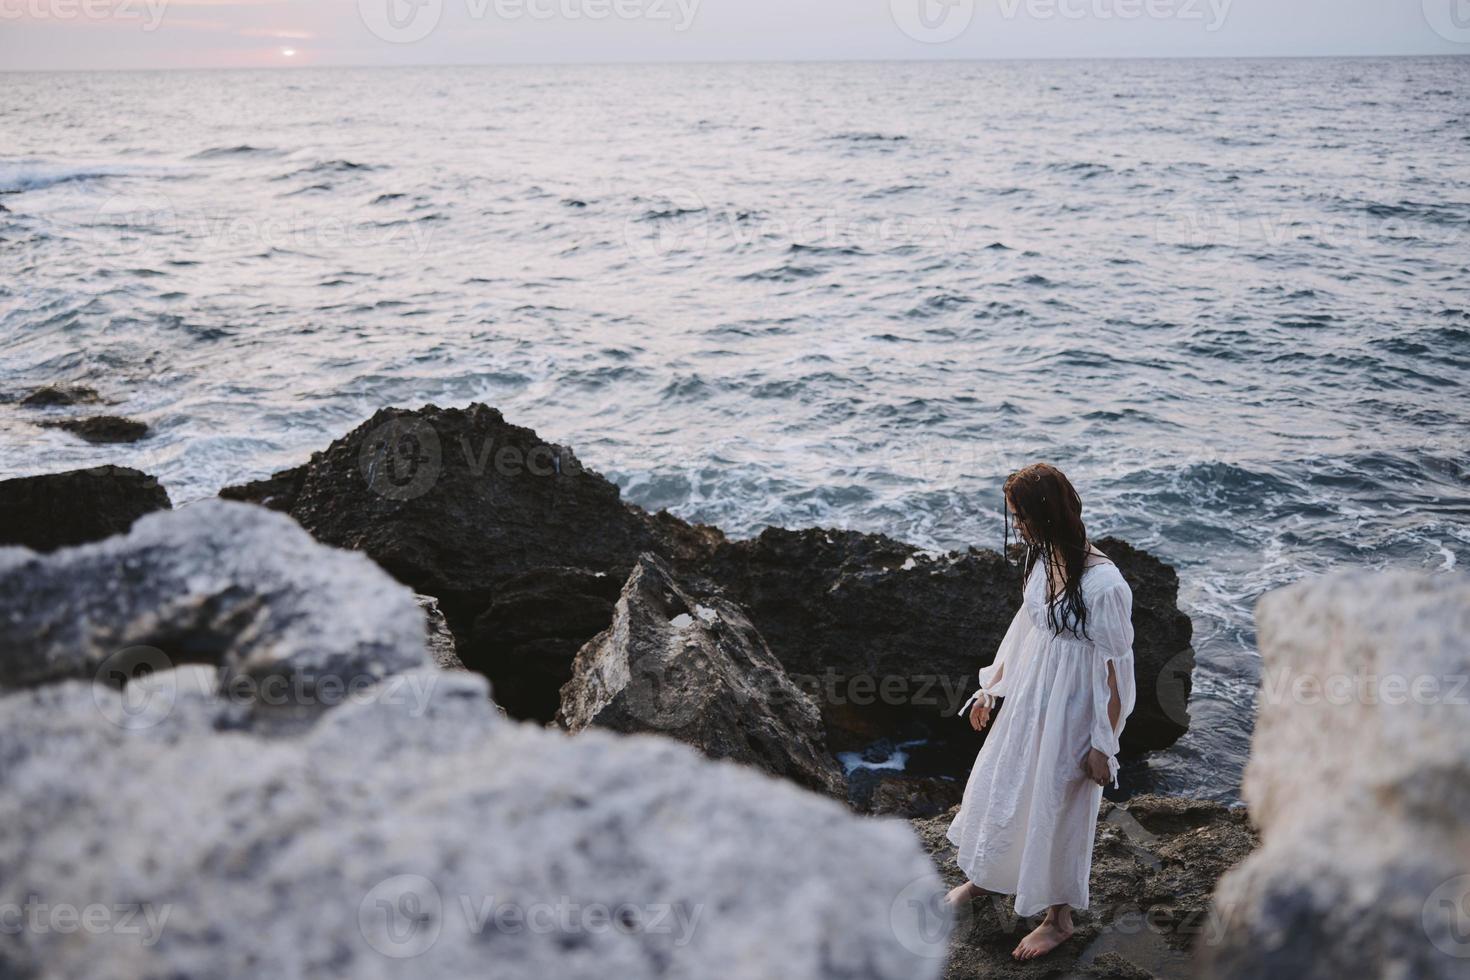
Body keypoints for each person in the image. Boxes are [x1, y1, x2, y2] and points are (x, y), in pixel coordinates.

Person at [944, 462, 1137, 961]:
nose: (1018, 526)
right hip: (1032, 697)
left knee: (1058, 804)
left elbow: (1117, 673)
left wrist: (1104, 743)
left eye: (1022, 517)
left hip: (1076, 713)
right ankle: (988, 876)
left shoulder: (1105, 586)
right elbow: (1026, 628)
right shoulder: (1043, 558)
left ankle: (1058, 918)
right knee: (1007, 782)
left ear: (1047, 514)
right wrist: (993, 686)